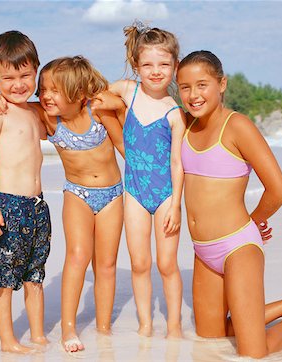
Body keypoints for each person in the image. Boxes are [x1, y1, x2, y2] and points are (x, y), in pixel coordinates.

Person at [176, 50, 282, 358]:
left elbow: (279, 189)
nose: (193, 95)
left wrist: (254, 221)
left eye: (202, 85)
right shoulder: (184, 125)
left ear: (222, 84)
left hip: (238, 247)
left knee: (253, 352)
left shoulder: (237, 126)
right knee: (211, 336)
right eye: (184, 87)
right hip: (202, 250)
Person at [0, 56, 125, 354]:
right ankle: (69, 328)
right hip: (77, 194)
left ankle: (103, 327)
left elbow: (127, 150)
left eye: (54, 90)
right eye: (43, 89)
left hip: (113, 194)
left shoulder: (98, 111)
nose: (45, 95)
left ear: (78, 93)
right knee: (77, 256)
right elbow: (12, 107)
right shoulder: (47, 117)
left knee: (107, 264)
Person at [95, 21, 186, 338]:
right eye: (147, 64)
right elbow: (97, 96)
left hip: (165, 195)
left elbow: (177, 162)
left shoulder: (174, 112)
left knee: (167, 264)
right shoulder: (127, 90)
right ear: (136, 65)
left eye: (164, 63)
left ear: (175, 65)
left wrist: (176, 205)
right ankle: (146, 324)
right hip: (133, 192)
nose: (156, 71)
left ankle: (173, 325)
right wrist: (113, 105)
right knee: (139, 264)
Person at [0, 30, 51, 354]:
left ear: (36, 70)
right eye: (8, 78)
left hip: (37, 206)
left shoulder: (35, 112)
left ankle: (38, 335)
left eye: (25, 75)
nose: (18, 84)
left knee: (35, 275)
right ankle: (8, 341)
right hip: (7, 205)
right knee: (4, 278)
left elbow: (53, 124)